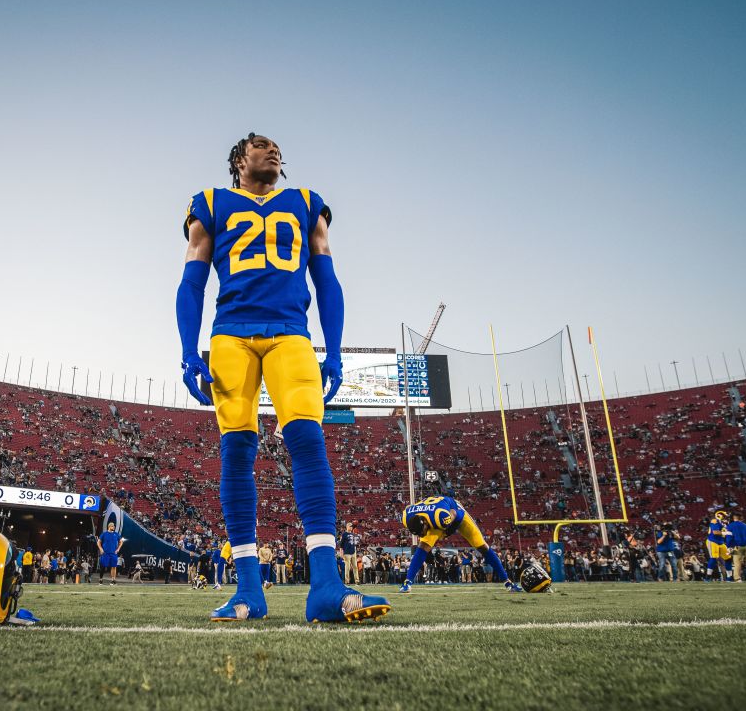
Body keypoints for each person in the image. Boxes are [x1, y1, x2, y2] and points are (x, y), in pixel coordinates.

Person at [175, 133, 387, 623]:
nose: (274, 151)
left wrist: (334, 350)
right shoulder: (210, 202)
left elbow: (327, 278)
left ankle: (327, 585)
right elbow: (192, 280)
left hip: (292, 333)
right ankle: (248, 588)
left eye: (277, 148)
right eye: (262, 145)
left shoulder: (306, 202)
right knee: (237, 450)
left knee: (309, 440)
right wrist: (189, 352)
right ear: (238, 158)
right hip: (231, 335)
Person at [398, 496, 522, 593]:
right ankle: (407, 582)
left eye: (422, 531)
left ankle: (507, 581)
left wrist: (445, 533)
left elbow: (457, 515)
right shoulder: (406, 516)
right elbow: (410, 508)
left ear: (424, 522)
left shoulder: (441, 516)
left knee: (481, 546)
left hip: (454, 511)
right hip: (433, 515)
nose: (422, 534)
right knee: (423, 547)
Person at [704, 511, 733, 582]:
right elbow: (715, 532)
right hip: (712, 541)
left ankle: (729, 577)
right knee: (714, 558)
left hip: (721, 542)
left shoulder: (725, 524)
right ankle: (708, 577)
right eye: (725, 517)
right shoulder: (714, 521)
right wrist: (726, 533)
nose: (726, 518)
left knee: (728, 558)